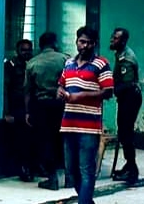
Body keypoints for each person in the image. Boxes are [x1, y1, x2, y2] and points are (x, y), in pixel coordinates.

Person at [59, 27, 113, 204]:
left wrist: (81, 96)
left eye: (90, 42)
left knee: (86, 170)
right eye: (82, 41)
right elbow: (60, 85)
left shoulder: (101, 64)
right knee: (71, 171)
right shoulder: (68, 64)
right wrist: (60, 92)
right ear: (76, 42)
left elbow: (108, 91)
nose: (85, 45)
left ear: (94, 44)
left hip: (89, 127)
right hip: (68, 124)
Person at [25, 31, 70, 190]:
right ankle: (69, 177)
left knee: (46, 141)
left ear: (41, 45)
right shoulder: (65, 59)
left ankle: (52, 179)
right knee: (64, 139)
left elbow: (28, 91)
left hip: (42, 106)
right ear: (55, 43)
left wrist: (28, 112)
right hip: (62, 104)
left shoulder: (32, 63)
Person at [110, 27, 142, 184]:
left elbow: (127, 84)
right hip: (126, 97)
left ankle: (132, 170)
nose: (112, 40)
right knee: (123, 133)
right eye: (113, 37)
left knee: (125, 134)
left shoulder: (126, 59)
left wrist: (110, 90)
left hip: (130, 97)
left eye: (115, 38)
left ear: (123, 41)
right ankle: (129, 166)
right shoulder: (120, 54)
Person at [4, 39, 34, 181]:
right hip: (16, 107)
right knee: (18, 139)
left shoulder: (33, 64)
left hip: (31, 107)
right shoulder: (10, 65)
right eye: (23, 50)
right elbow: (6, 89)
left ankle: (30, 167)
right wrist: (7, 112)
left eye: (29, 50)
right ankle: (21, 168)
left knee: (30, 139)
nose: (26, 53)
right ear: (17, 51)